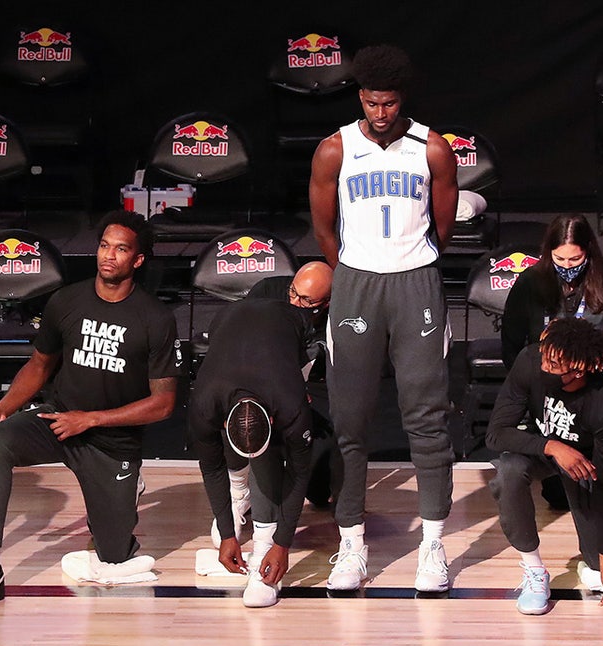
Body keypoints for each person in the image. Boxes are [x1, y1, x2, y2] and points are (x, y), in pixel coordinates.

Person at [0, 211, 181, 612]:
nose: (109, 256)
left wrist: (91, 419)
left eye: (121, 249)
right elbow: (39, 365)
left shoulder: (154, 319)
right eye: (104, 246)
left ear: (138, 260)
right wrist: (4, 407)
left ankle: (123, 492)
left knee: (113, 554)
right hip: (58, 419)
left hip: (111, 441)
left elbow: (163, 403)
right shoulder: (67, 301)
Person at [309, 43, 459, 592]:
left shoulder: (434, 149)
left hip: (416, 281)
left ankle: (433, 547)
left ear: (403, 100)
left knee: (426, 418)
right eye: (372, 103)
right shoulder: (334, 150)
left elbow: (442, 226)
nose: (380, 113)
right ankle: (351, 545)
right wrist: (351, 272)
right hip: (356, 285)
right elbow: (324, 227)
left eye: (390, 103)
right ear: (359, 98)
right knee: (350, 420)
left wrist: (407, 261)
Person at [487, 318, 603, 614]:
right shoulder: (530, 360)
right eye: (545, 356)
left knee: (602, 559)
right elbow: (496, 433)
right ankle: (534, 571)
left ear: (580, 368)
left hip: (585, 462)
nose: (544, 365)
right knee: (508, 470)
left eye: (554, 364)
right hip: (541, 448)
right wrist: (551, 446)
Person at [189, 296, 322, 607]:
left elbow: (300, 470)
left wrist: (282, 544)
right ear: (224, 420)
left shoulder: (290, 402)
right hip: (228, 316)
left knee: (272, 455)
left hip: (290, 324)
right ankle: (241, 498)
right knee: (244, 457)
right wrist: (226, 535)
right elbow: (211, 468)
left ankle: (263, 542)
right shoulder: (204, 403)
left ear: (273, 419)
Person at [501, 212, 603, 511]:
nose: (567, 268)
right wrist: (533, 382)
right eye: (559, 260)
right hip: (546, 390)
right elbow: (512, 345)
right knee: (556, 498)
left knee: (591, 497)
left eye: (575, 260)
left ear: (588, 250)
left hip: (594, 389)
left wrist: (583, 371)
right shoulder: (530, 282)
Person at [245, 261, 339, 510]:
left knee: (320, 492)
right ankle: (240, 490)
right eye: (293, 293)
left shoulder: (341, 314)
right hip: (264, 379)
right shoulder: (265, 294)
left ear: (327, 302)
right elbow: (242, 345)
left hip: (314, 384)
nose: (295, 303)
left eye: (306, 301)